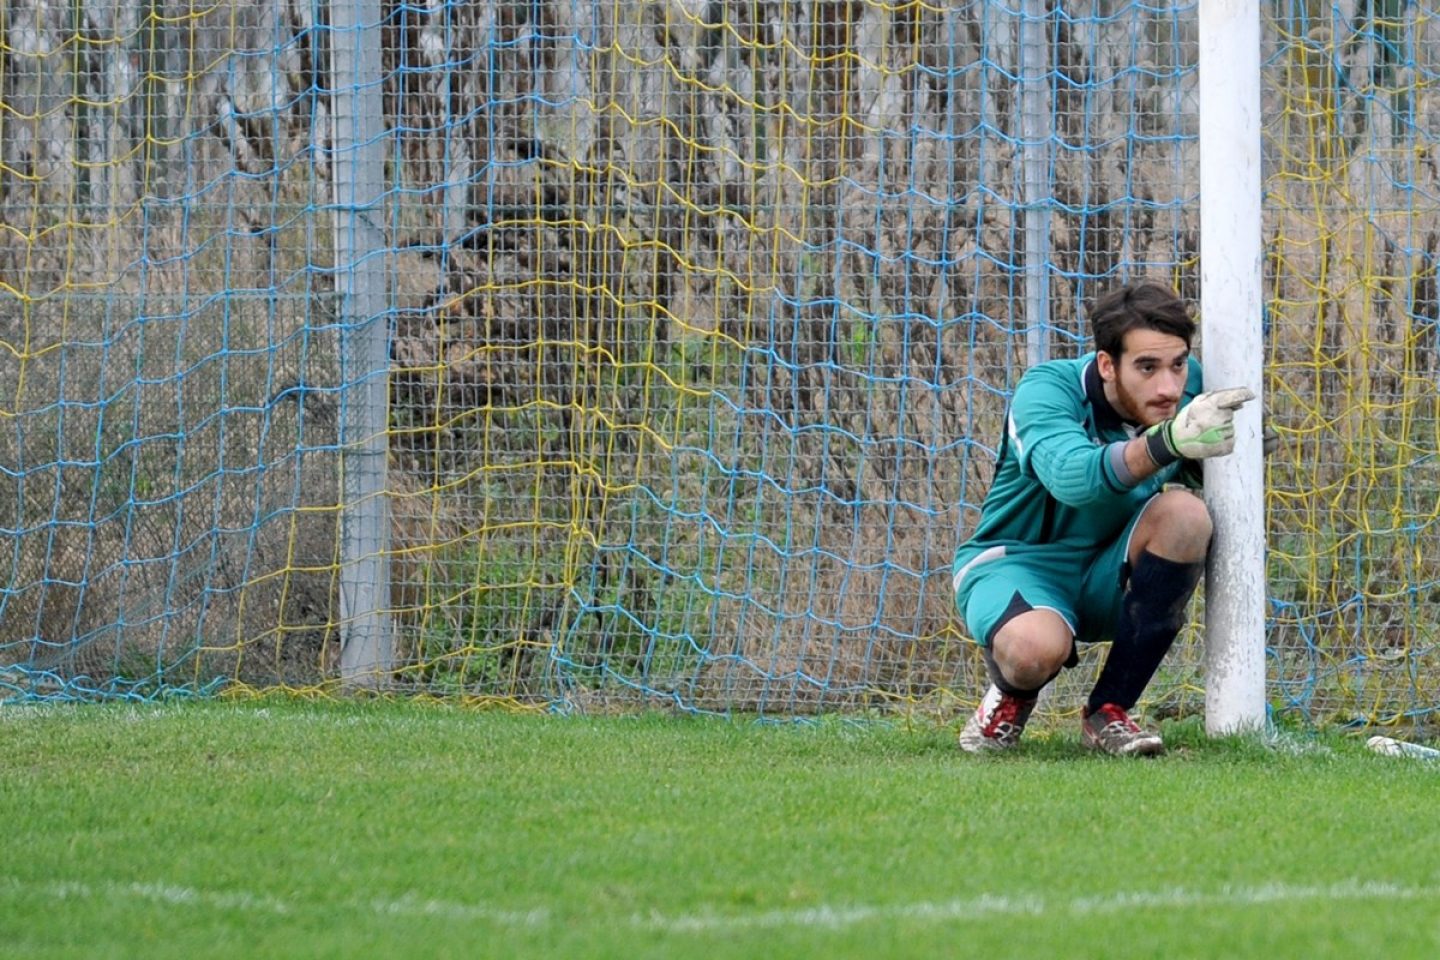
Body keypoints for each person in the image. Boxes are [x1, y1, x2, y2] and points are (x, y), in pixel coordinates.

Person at [952, 279, 1257, 756]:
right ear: (1106, 365)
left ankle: (1108, 712)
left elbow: (1203, 466)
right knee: (1034, 651)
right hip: (1017, 565)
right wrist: (1169, 444)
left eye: (1177, 365)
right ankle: (1012, 695)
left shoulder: (1190, 390)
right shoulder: (1047, 390)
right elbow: (1075, 479)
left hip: (1110, 571)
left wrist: (1235, 453)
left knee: (1185, 515)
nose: (1168, 386)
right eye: (1147, 367)